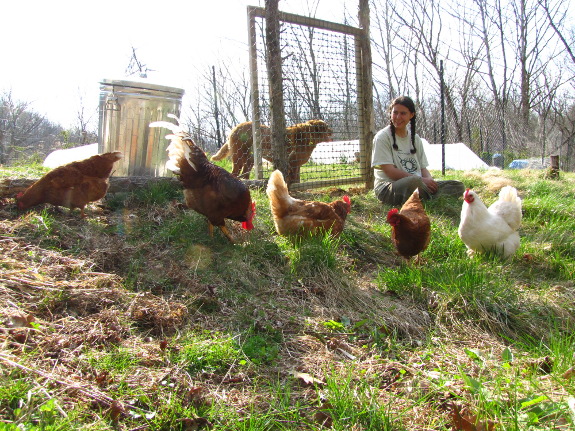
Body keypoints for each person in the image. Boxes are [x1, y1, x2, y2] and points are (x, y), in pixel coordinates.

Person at [371, 96, 465, 205]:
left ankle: (423, 196)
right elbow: (390, 172)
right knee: (413, 182)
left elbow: (423, 168)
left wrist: (429, 180)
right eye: (395, 112)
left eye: (403, 113)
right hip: (389, 187)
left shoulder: (415, 139)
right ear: (390, 113)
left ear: (412, 115)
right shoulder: (382, 137)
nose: (398, 117)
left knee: (457, 185)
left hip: (418, 183)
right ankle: (428, 198)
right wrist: (421, 181)